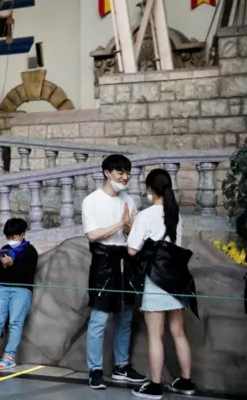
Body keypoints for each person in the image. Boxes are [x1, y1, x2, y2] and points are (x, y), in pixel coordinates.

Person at [128, 169, 198, 399]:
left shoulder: (146, 215)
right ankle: (186, 382)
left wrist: (130, 226)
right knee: (178, 332)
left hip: (156, 279)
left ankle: (155, 385)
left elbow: (131, 250)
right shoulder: (176, 214)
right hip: (177, 278)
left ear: (150, 189)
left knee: (155, 335)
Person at [81, 154, 146, 389]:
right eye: (120, 172)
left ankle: (121, 366)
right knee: (99, 318)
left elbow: (134, 234)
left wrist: (130, 228)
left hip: (126, 261)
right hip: (103, 262)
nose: (125, 176)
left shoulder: (129, 199)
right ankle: (95, 369)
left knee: (126, 316)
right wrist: (121, 223)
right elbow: (92, 235)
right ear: (107, 173)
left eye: (127, 172)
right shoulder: (91, 200)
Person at [0, 218, 37, 370]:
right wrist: (4, 266)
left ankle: (9, 356)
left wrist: (13, 264)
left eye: (14, 236)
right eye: (8, 236)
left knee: (15, 323)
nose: (11, 240)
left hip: (22, 290)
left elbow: (28, 273)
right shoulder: (4, 249)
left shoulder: (30, 251)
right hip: (3, 289)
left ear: (23, 234)